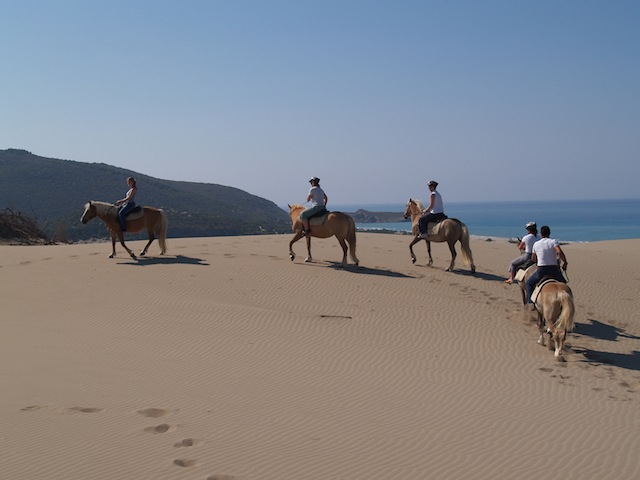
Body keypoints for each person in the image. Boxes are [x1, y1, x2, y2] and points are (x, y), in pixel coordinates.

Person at [525, 225, 568, 307]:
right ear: (549, 233)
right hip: (554, 270)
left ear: (541, 234)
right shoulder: (553, 241)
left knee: (529, 283)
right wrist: (565, 262)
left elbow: (533, 259)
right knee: (564, 283)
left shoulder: (536, 244)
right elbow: (559, 251)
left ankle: (530, 302)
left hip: (541, 270)